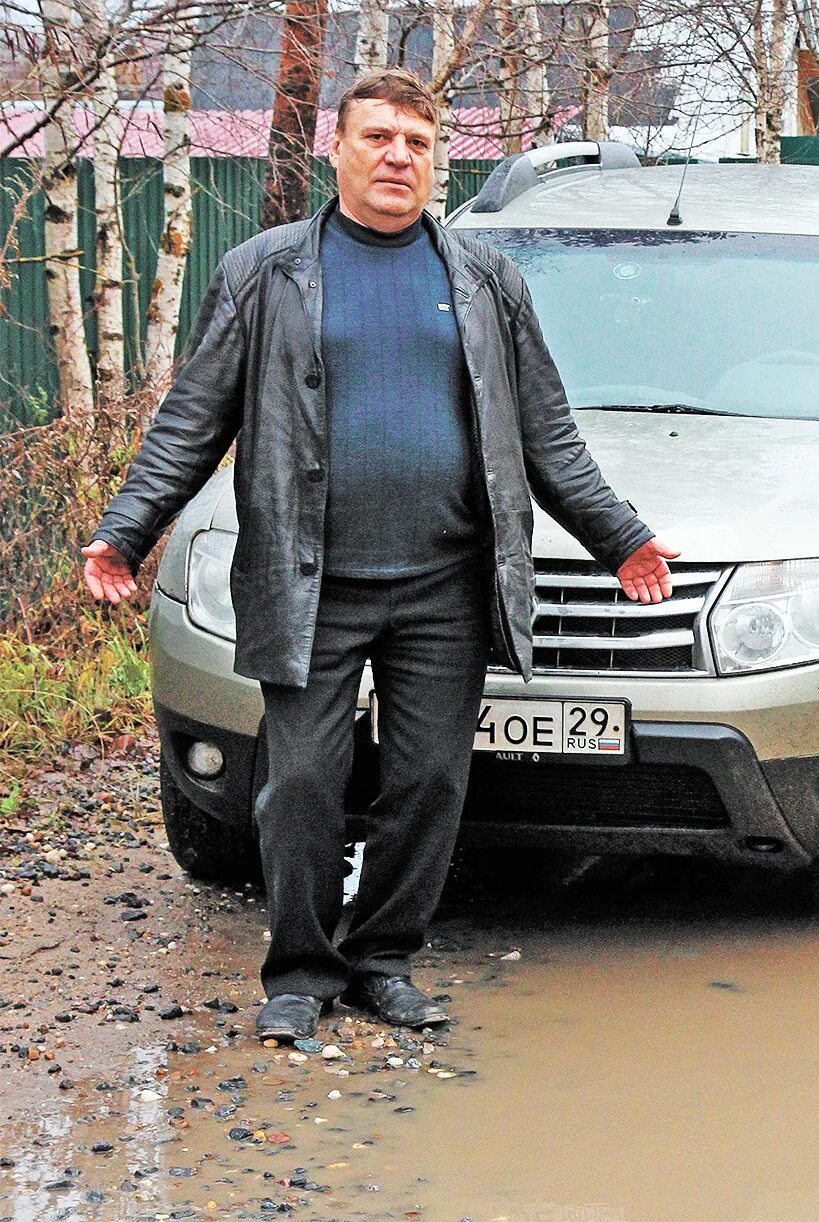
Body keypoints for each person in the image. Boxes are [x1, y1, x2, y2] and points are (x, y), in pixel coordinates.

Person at [82, 68, 677, 1043]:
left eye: (417, 141)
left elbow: (546, 435)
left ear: (436, 160)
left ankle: (384, 960)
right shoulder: (265, 273)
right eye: (379, 138)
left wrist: (620, 536)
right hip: (310, 578)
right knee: (304, 781)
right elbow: (194, 417)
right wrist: (128, 529)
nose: (399, 155)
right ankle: (301, 972)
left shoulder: (485, 281)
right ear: (340, 150)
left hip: (444, 584)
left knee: (431, 782)